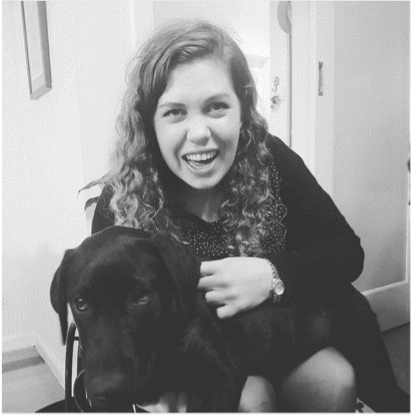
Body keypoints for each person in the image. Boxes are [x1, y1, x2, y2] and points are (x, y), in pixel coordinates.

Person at [91, 19, 411, 412]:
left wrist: (271, 275)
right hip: (193, 365)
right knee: (250, 400)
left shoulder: (270, 158)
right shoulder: (122, 197)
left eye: (216, 107)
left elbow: (346, 252)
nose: (199, 133)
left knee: (335, 380)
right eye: (175, 113)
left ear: (242, 108)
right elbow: (103, 319)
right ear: (149, 122)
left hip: (276, 339)